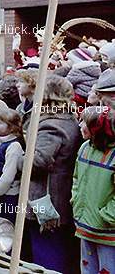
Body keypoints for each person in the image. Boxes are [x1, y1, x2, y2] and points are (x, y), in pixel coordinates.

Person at [26, 75, 81, 274]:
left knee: (46, 257)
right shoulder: (71, 120)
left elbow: (37, 161)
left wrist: (19, 157)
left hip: (46, 201)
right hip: (63, 197)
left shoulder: (52, 125)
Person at [72, 106, 115, 274]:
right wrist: (76, 201)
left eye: (85, 122)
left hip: (107, 232)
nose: (79, 125)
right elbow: (76, 178)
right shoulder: (84, 148)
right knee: (87, 269)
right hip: (85, 226)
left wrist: (106, 216)